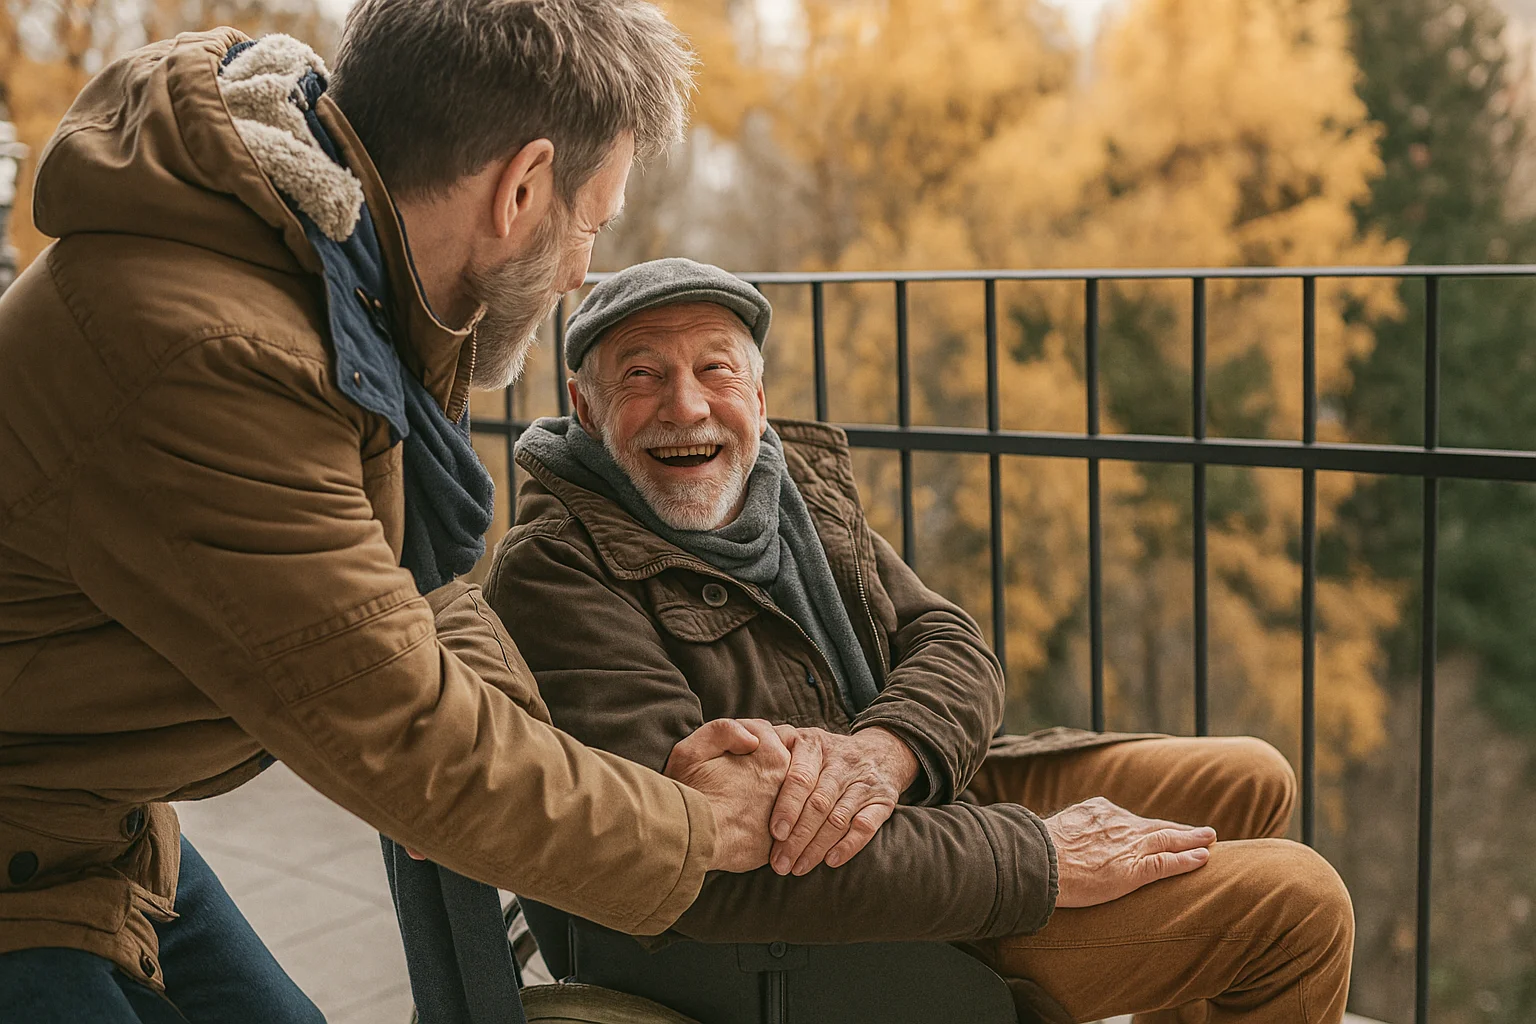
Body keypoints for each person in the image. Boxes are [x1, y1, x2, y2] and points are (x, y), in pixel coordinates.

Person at [0, 7, 793, 1022]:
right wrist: (705, 830)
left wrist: (551, 752)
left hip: (89, 822)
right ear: (520, 189)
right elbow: (410, 740)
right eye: (590, 224)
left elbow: (414, 581)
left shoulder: (333, 272)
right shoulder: (224, 356)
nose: (579, 273)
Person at [485, 258, 1357, 1024]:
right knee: (1300, 904)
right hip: (849, 914)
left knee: (1249, 777)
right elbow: (697, 869)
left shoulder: (785, 493)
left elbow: (952, 642)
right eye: (642, 376)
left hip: (921, 802)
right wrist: (1040, 856)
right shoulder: (556, 571)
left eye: (715, 369)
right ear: (585, 410)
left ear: (757, 397)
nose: (686, 405)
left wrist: (886, 750)